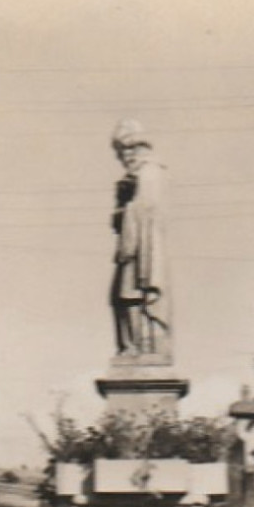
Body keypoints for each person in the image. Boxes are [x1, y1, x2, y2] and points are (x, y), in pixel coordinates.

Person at [109, 120, 173, 359]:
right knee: (120, 298)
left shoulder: (150, 174)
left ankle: (139, 347)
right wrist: (121, 207)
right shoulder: (139, 176)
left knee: (129, 295)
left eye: (124, 151)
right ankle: (131, 347)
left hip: (140, 251)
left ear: (136, 148)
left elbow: (147, 214)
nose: (123, 158)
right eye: (120, 153)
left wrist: (126, 206)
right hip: (132, 249)